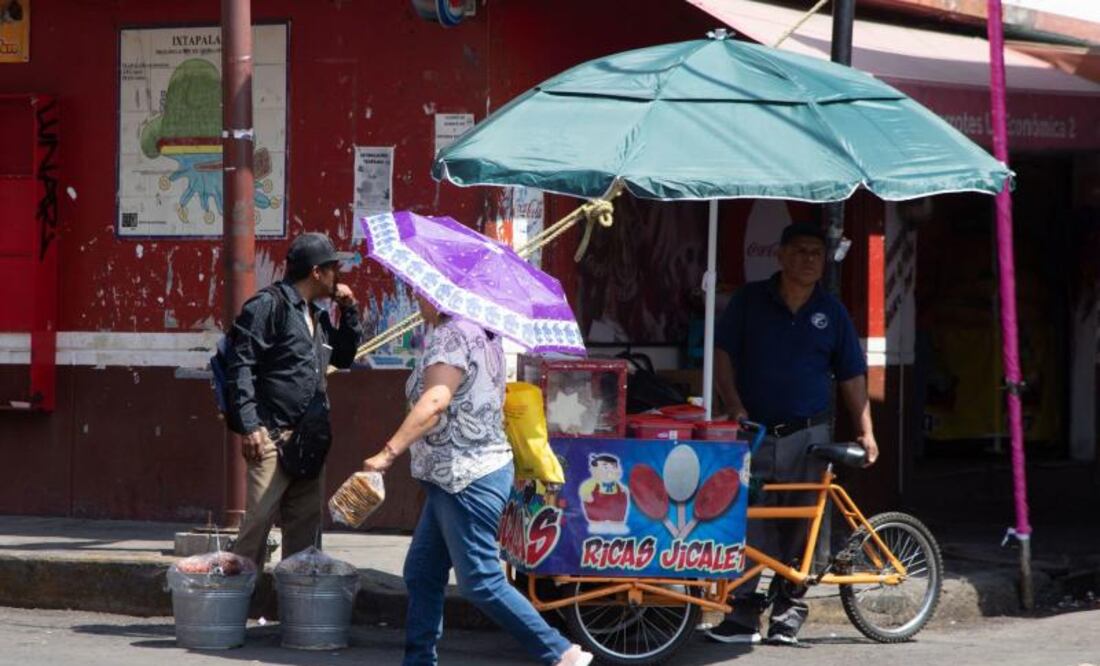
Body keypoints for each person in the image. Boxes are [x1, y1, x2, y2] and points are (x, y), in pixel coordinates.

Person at [363, 296, 592, 666]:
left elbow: (436, 400)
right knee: (422, 573)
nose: (416, 298)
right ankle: (418, 660)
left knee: (481, 580)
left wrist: (388, 453)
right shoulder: (481, 331)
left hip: (466, 477)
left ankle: (560, 652)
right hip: (454, 476)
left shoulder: (452, 335)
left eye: (420, 291)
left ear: (438, 294)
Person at [707, 221, 877, 646]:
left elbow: (853, 377)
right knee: (749, 523)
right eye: (799, 251)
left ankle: (788, 613)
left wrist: (866, 431)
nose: (807, 260)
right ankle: (742, 616)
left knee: (803, 529)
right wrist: (732, 404)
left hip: (809, 436)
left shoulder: (832, 312)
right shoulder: (750, 301)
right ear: (780, 256)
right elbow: (722, 354)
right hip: (756, 431)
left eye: (816, 253)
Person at [227, 232, 364, 567]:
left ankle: (296, 614)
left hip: (309, 438)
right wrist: (249, 425)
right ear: (317, 272)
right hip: (271, 436)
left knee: (305, 538)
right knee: (256, 529)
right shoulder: (268, 306)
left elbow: (344, 357)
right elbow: (240, 363)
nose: (338, 277)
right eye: (334, 269)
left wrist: (349, 312)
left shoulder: (315, 315)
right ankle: (230, 608)